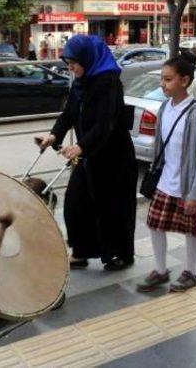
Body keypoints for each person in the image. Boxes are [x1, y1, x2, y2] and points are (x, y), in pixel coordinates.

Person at [36, 35, 138, 271]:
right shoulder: (81, 82)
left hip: (113, 156)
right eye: (68, 64)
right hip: (90, 154)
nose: (71, 69)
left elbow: (106, 123)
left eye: (74, 64)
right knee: (76, 203)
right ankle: (81, 251)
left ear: (88, 59)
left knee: (113, 206)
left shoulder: (108, 82)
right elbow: (69, 113)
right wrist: (54, 136)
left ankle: (121, 254)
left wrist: (81, 146)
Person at [136, 52, 196, 293]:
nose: (162, 84)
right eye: (162, 78)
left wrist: (195, 192)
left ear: (184, 80)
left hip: (190, 185)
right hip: (166, 181)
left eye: (168, 79)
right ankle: (161, 270)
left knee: (191, 230)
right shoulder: (164, 108)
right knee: (155, 224)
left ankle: (190, 272)